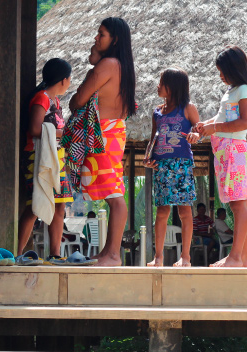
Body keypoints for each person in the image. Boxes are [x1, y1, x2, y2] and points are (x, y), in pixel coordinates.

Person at [70, 17, 136, 266]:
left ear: (114, 39)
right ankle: (109, 251)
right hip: (114, 132)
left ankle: (113, 254)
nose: (96, 39)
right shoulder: (123, 66)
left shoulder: (107, 65)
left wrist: (94, 64)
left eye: (101, 35)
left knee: (114, 196)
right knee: (113, 192)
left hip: (102, 136)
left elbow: (76, 101)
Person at [197, 46, 247, 267]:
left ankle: (235, 257)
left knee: (239, 205)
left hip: (234, 150)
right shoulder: (232, 91)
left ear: (233, 68)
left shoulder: (244, 90)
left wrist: (215, 128)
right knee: (237, 205)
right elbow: (222, 116)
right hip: (225, 151)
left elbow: (245, 122)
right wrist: (206, 125)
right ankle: (243, 258)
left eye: (223, 71)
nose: (220, 75)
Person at [16, 58, 73, 262]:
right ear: (64, 80)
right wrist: (62, 133)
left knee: (59, 205)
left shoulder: (55, 101)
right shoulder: (42, 98)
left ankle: (55, 254)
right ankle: (17, 253)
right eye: (69, 80)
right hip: (38, 157)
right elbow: (34, 129)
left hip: (56, 158)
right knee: (35, 206)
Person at [145, 68, 200, 267]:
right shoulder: (157, 112)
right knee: (162, 212)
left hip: (182, 164)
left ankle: (185, 257)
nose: (158, 86)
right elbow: (153, 139)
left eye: (161, 82)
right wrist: (148, 158)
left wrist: (196, 135)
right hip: (161, 166)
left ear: (173, 86)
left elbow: (199, 129)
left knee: (185, 212)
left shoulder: (188, 108)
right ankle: (158, 257)